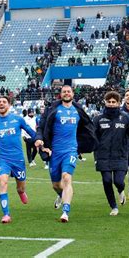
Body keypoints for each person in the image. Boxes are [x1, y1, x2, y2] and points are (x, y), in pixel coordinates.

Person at [35, 85, 96, 222]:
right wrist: (39, 139)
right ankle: (61, 195)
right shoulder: (53, 110)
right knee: (56, 185)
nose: (67, 93)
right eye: (64, 92)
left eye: (69, 91)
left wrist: (88, 143)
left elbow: (88, 126)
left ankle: (65, 212)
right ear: (60, 94)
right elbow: (42, 126)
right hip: (55, 152)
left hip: (71, 150)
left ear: (73, 94)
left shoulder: (78, 110)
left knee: (66, 177)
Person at [0, 96, 36, 223]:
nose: (1, 104)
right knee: (2, 182)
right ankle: (6, 214)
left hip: (18, 160)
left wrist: (39, 139)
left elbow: (30, 131)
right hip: (3, 159)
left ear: (9, 105)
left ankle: (21, 192)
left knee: (20, 188)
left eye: (4, 102)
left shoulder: (18, 120)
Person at [93, 91, 129, 216]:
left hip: (120, 156)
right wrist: (95, 155)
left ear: (119, 103)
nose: (111, 104)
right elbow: (94, 138)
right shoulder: (98, 119)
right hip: (103, 156)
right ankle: (114, 207)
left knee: (118, 181)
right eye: (109, 102)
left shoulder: (125, 117)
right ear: (105, 102)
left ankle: (121, 191)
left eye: (114, 102)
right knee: (107, 181)